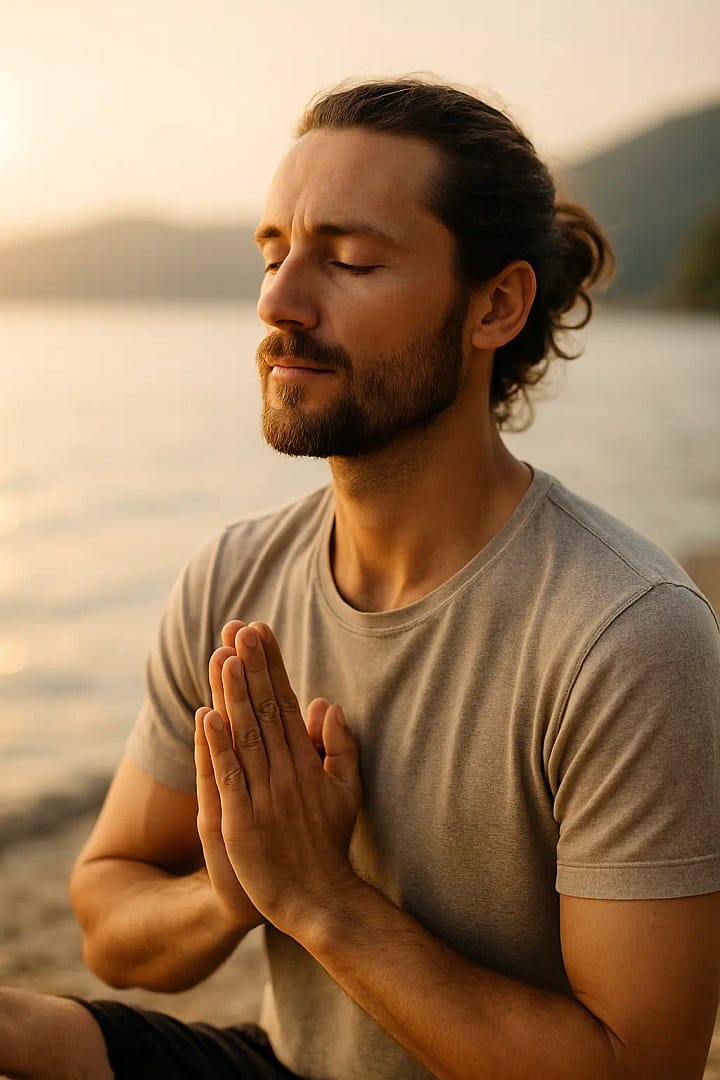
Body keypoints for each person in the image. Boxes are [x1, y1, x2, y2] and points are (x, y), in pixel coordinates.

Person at [1, 75, 719, 1080]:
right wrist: (240, 882)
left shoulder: (625, 634)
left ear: (497, 305)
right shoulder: (235, 579)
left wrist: (321, 901)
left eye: (346, 261)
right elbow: (109, 922)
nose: (278, 301)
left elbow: (640, 1068)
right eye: (273, 253)